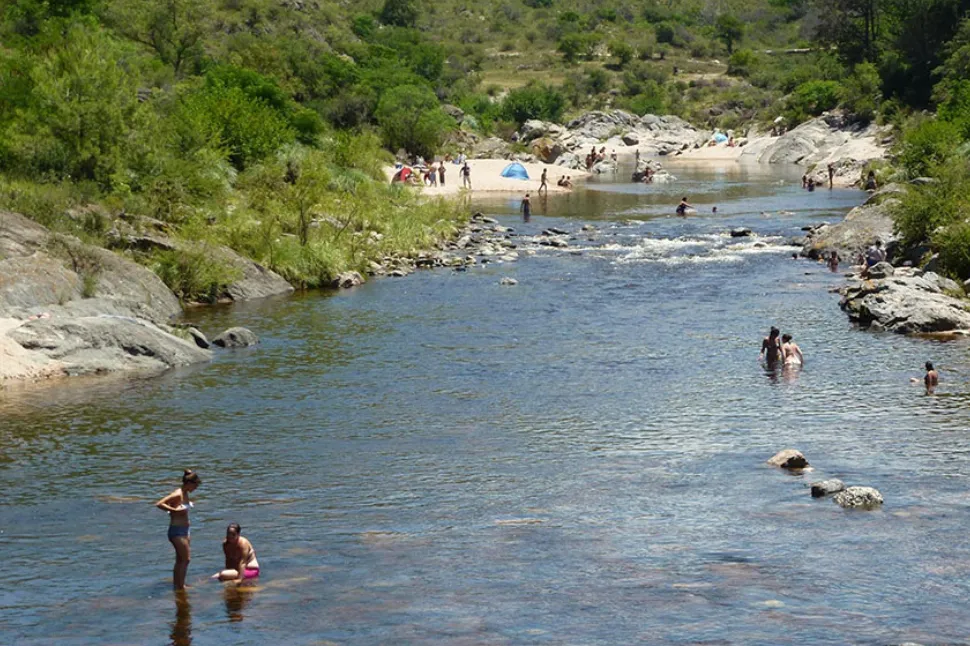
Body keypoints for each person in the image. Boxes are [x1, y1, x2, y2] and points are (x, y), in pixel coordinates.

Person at [156, 470, 201, 590]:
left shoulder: (185, 494)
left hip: (185, 530)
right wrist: (174, 511)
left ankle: (179, 585)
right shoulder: (178, 493)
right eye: (195, 485)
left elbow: (177, 505)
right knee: (186, 559)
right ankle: (180, 586)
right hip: (177, 531)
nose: (196, 488)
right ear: (189, 483)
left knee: (181, 560)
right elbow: (159, 503)